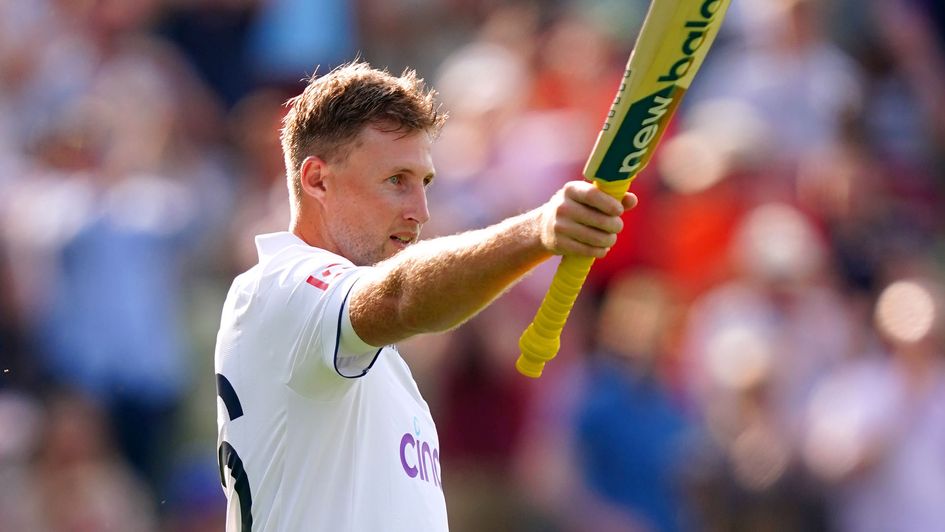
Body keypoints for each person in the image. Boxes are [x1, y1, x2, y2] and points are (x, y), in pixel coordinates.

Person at [214, 61, 636, 531]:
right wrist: (536, 231)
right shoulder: (283, 287)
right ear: (316, 180)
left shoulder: (384, 371)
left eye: (425, 183)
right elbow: (400, 295)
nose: (421, 212)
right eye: (396, 180)